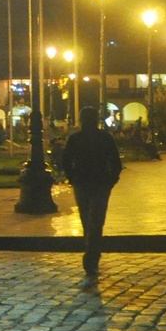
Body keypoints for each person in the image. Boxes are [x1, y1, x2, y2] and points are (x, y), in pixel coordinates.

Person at [59, 106, 123, 285]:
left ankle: (91, 253)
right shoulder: (104, 138)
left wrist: (72, 177)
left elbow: (65, 160)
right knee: (95, 220)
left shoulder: (76, 138)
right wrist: (111, 180)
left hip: (85, 182)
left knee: (88, 219)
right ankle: (93, 253)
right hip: (98, 183)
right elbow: (116, 162)